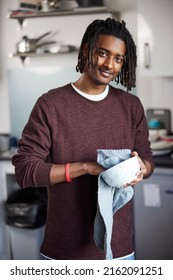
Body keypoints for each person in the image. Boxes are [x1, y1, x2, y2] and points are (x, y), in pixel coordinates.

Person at [12, 17, 154, 260]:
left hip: (118, 251)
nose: (109, 64)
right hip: (64, 251)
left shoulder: (131, 106)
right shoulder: (51, 105)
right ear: (87, 50)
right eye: (102, 53)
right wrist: (86, 168)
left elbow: (147, 158)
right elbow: (26, 171)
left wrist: (142, 169)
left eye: (118, 58)